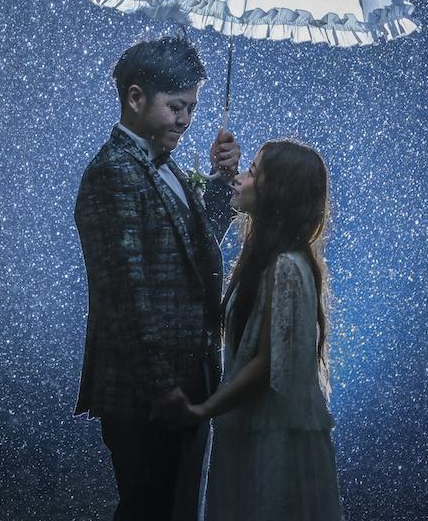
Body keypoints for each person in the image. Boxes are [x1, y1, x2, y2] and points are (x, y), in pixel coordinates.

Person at [74, 36, 241, 521]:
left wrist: (221, 183)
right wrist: (162, 386)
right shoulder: (113, 174)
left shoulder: (163, 167)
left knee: (177, 510)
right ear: (135, 97)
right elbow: (126, 293)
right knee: (150, 511)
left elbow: (194, 252)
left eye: (192, 108)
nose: (186, 120)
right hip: (146, 393)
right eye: (176, 106)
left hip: (188, 380)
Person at [176, 139, 343, 521]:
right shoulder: (263, 258)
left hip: (273, 439)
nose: (241, 177)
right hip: (254, 429)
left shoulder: (286, 267)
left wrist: (203, 409)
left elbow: (268, 364)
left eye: (252, 171)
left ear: (277, 191)